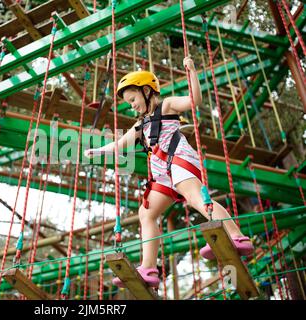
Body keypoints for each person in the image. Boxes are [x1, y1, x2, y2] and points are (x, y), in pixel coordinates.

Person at [84, 57, 253, 288]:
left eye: (133, 99)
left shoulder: (167, 105)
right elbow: (119, 145)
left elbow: (195, 100)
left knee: (196, 199)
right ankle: (149, 268)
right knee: (147, 214)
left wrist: (192, 71)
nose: (131, 105)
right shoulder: (140, 125)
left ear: (146, 91)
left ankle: (236, 236)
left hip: (178, 161)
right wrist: (98, 151)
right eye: (128, 103)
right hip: (162, 174)